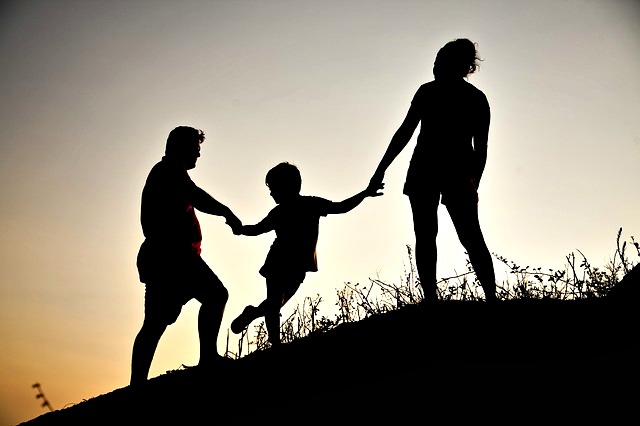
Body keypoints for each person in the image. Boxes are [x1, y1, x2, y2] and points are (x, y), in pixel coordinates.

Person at [368, 38, 497, 303]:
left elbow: (480, 148)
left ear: (459, 65)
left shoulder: (468, 98)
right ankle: (436, 298)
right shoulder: (437, 93)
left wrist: (474, 183)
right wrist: (381, 168)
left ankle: (486, 299)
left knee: (462, 236)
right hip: (431, 171)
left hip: (448, 172)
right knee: (435, 236)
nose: (435, 66)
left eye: (440, 61)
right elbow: (405, 132)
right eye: (435, 61)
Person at [130, 126, 241, 386]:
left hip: (165, 256)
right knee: (215, 295)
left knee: (155, 323)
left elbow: (192, 197)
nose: (198, 155)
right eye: (196, 149)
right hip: (174, 256)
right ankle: (208, 359)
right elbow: (198, 197)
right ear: (181, 147)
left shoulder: (168, 172)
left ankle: (137, 384)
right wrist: (228, 213)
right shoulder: (169, 172)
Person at [230, 162, 383, 346]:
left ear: (289, 186)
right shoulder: (279, 212)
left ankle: (252, 313)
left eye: (274, 189)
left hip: (299, 265)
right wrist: (240, 229)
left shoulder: (311, 204)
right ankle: (275, 343)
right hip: (277, 262)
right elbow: (258, 229)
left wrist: (365, 193)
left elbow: (341, 207)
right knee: (274, 301)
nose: (271, 194)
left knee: (275, 303)